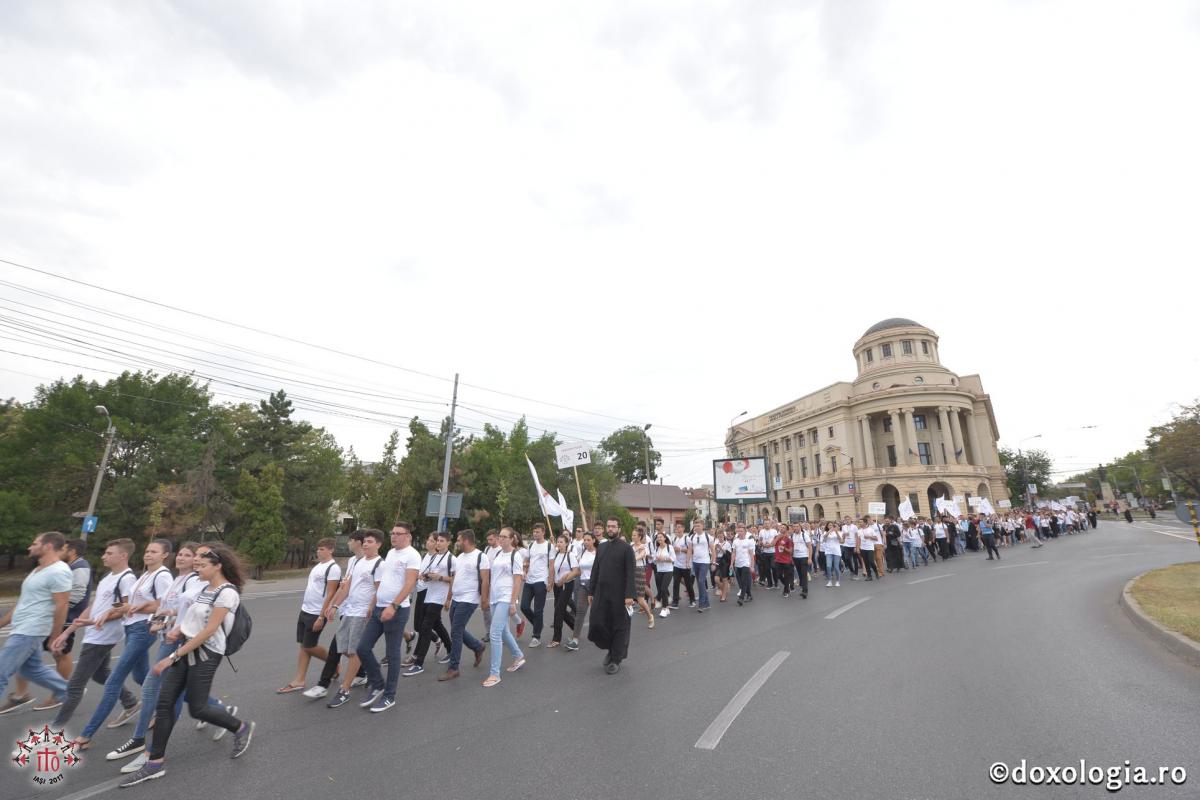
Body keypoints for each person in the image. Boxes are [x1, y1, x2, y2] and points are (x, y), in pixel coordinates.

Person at [117, 543, 254, 787]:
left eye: (202, 561)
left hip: (206, 655)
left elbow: (210, 630)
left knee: (198, 709)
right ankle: (154, 763)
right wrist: (176, 627)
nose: (196, 564)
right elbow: (194, 617)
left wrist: (172, 656)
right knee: (165, 704)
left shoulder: (227, 593)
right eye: (196, 560)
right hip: (186, 649)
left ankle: (241, 727)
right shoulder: (205, 590)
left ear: (218, 565)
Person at [76, 539, 174, 748]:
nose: (148, 554)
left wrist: (133, 609)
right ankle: (187, 702)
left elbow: (163, 605)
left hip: (143, 630)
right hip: (131, 628)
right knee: (142, 677)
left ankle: (86, 736)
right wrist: (106, 612)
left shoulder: (163, 575)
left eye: (154, 552)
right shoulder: (144, 575)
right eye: (147, 550)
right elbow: (126, 603)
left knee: (112, 682)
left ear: (165, 555)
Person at [50, 540, 140, 730]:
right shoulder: (108, 577)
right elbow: (95, 606)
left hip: (103, 636)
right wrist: (67, 631)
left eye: (108, 553)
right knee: (100, 674)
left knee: (74, 687)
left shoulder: (126, 578)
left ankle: (55, 730)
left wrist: (101, 618)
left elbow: (125, 607)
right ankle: (131, 703)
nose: (103, 556)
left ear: (123, 556)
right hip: (94, 633)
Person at [12, 538, 90, 713]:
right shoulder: (64, 567)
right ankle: (21, 693)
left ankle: (60, 693)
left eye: (63, 549)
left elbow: (76, 595)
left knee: (61, 653)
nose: (60, 551)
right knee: (30, 658)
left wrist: (51, 602)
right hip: (50, 618)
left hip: (66, 619)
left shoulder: (80, 567)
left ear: (72, 551)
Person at [0, 532, 72, 716]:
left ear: (48, 546)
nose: (29, 547)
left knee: (1, 670)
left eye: (34, 543)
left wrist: (55, 637)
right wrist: (2, 623)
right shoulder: (38, 570)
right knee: (32, 669)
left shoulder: (59, 571)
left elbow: (62, 605)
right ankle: (68, 692)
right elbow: (24, 602)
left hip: (31, 629)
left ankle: (68, 693)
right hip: (23, 627)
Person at [357, 525, 420, 711]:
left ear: (408, 536)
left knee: (392, 654)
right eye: (392, 533)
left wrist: (394, 605)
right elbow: (385, 582)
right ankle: (377, 684)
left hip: (396, 611)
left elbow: (410, 583)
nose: (393, 536)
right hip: (379, 608)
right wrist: (373, 604)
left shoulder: (412, 555)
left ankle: (389, 696)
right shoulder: (391, 553)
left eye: (398, 533)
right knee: (362, 648)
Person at [325, 531, 382, 709]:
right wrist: (334, 606)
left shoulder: (380, 564)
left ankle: (345, 689)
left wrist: (371, 607)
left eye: (370, 542)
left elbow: (380, 590)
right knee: (347, 649)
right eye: (364, 542)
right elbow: (346, 588)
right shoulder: (358, 562)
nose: (365, 545)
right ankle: (374, 675)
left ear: (378, 544)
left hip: (362, 613)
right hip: (349, 610)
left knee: (355, 651)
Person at [278, 538, 340, 694]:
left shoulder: (333, 568)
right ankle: (299, 680)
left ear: (331, 550)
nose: (319, 552)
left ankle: (333, 663)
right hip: (305, 610)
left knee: (309, 646)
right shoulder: (318, 566)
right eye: (318, 549)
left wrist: (321, 616)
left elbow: (332, 593)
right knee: (303, 646)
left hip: (317, 613)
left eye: (323, 549)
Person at [587, 518, 635, 674]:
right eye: (609, 526)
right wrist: (591, 591)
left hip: (620, 595)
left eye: (614, 526)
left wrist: (629, 595)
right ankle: (610, 649)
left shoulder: (627, 549)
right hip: (602, 593)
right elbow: (595, 570)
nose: (611, 529)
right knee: (599, 622)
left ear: (619, 528)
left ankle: (616, 659)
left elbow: (630, 573)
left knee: (619, 626)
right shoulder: (601, 547)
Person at [442, 529, 488, 681]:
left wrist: (484, 600)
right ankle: (477, 646)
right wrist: (449, 598)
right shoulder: (460, 557)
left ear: (466, 541)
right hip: (456, 598)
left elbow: (485, 580)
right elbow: (454, 578)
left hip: (469, 600)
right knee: (457, 629)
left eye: (459, 540)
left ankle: (454, 667)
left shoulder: (481, 557)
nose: (457, 542)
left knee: (455, 631)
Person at [404, 530, 451, 677]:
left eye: (434, 540)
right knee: (430, 625)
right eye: (431, 540)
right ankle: (444, 644)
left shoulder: (445, 558)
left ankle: (418, 658)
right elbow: (426, 573)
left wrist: (448, 598)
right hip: (424, 592)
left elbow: (451, 578)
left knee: (424, 626)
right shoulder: (427, 556)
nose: (431, 543)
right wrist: (423, 577)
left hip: (432, 594)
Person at [484, 527, 525, 687]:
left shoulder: (516, 555)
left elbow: (517, 580)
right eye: (499, 536)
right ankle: (518, 655)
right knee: (503, 631)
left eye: (503, 537)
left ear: (512, 538)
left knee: (494, 633)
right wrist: (487, 596)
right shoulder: (499, 553)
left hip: (506, 598)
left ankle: (495, 674)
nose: (500, 539)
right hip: (495, 597)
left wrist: (513, 602)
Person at [519, 524, 553, 647]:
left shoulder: (549, 546)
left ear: (543, 532)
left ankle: (536, 636)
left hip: (541, 580)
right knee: (524, 606)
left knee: (539, 610)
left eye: (537, 532)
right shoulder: (531, 545)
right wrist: (524, 571)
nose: (535, 534)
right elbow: (526, 561)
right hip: (529, 580)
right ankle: (538, 624)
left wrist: (550, 582)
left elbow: (551, 565)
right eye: (534, 532)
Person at [548, 533, 579, 647]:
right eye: (558, 542)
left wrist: (565, 579)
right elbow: (552, 569)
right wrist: (550, 582)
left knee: (559, 610)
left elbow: (576, 571)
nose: (559, 544)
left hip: (567, 585)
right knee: (559, 608)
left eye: (562, 542)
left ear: (567, 543)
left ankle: (556, 638)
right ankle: (576, 627)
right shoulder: (555, 555)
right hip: (557, 586)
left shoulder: (570, 555)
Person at [568, 532, 597, 651]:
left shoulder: (599, 553)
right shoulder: (583, 552)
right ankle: (575, 640)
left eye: (588, 540)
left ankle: (606, 634)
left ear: (594, 540)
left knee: (597, 612)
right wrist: (567, 577)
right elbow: (578, 570)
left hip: (595, 585)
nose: (585, 542)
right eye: (584, 540)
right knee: (580, 611)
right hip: (582, 584)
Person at [630, 528, 654, 628]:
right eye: (632, 535)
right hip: (629, 571)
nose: (633, 537)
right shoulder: (630, 545)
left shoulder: (643, 546)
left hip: (639, 571)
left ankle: (650, 616)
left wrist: (633, 554)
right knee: (626, 596)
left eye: (635, 535)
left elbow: (639, 557)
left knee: (640, 599)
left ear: (639, 537)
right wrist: (634, 550)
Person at [687, 520, 714, 612]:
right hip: (695, 562)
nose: (696, 527)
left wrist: (713, 562)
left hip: (705, 562)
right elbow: (690, 550)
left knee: (702, 581)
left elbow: (713, 550)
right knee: (699, 583)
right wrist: (688, 561)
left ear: (702, 526)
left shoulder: (708, 537)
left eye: (698, 525)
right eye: (695, 526)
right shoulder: (692, 536)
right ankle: (707, 603)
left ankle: (701, 604)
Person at [669, 521, 695, 609]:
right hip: (677, 564)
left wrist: (680, 549)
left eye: (680, 527)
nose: (678, 529)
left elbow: (690, 550)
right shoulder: (675, 539)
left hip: (685, 564)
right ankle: (675, 602)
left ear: (683, 528)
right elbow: (673, 551)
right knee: (675, 583)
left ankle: (692, 599)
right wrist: (674, 551)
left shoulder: (687, 538)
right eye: (677, 527)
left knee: (688, 584)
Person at [731, 523, 755, 605]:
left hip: (746, 563)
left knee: (744, 581)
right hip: (737, 564)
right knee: (740, 582)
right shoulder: (735, 541)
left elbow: (751, 555)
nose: (740, 532)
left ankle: (741, 598)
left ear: (745, 532)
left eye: (742, 531)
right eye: (739, 531)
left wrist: (752, 566)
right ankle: (749, 594)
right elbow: (733, 553)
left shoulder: (749, 541)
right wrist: (731, 563)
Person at [652, 531, 674, 615]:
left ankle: (665, 608)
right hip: (659, 570)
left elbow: (673, 559)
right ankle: (666, 607)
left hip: (668, 570)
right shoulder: (657, 548)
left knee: (664, 588)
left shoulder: (669, 547)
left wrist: (664, 558)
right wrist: (657, 559)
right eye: (658, 537)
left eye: (661, 537)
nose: (659, 539)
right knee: (661, 589)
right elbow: (654, 560)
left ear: (665, 538)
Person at [773, 524, 794, 597]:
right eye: (781, 527)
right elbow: (772, 544)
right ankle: (787, 585)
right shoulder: (776, 537)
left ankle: (786, 591)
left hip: (786, 560)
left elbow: (790, 551)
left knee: (786, 576)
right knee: (779, 575)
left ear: (786, 530)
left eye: (784, 528)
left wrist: (784, 548)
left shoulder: (788, 539)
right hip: (778, 559)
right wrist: (778, 537)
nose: (782, 529)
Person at [790, 524, 811, 599]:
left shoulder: (804, 535)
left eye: (797, 526)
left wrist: (809, 558)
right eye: (794, 527)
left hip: (804, 556)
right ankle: (802, 586)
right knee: (800, 574)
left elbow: (809, 546)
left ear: (800, 527)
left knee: (804, 574)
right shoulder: (792, 536)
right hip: (795, 557)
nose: (796, 528)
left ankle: (805, 591)